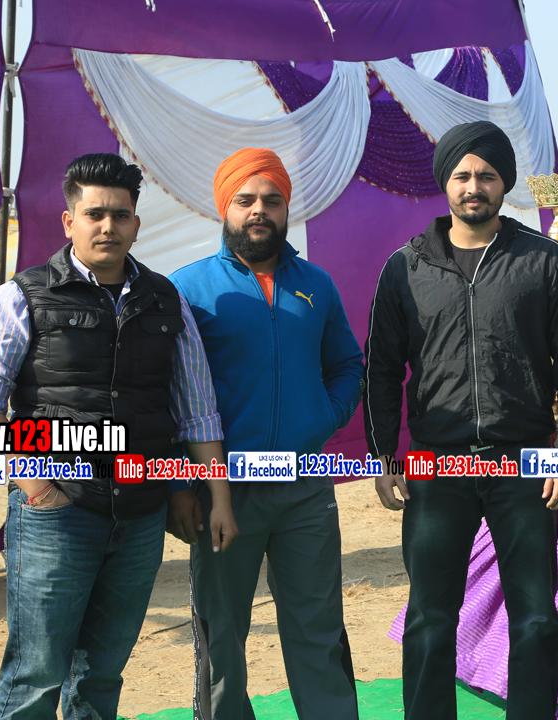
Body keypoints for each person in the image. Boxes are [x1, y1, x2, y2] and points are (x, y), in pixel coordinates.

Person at [0, 153, 237, 720]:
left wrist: (217, 495)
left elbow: (197, 411)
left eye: (120, 215)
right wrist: (39, 489)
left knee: (103, 674)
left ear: (136, 223)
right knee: (35, 674)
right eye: (94, 214)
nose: (108, 226)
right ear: (70, 221)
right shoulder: (21, 297)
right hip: (56, 515)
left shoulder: (166, 301)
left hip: (140, 518)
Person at [364, 120, 558, 720]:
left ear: (504, 184)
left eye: (487, 175)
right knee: (429, 616)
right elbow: (381, 368)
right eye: (463, 175)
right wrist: (382, 454)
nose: (474, 186)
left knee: (536, 618)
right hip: (437, 468)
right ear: (446, 183)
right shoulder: (406, 267)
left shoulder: (544, 260)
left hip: (524, 466)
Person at [169, 148, 365, 720]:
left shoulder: (317, 285)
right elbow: (167, 393)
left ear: (285, 209)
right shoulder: (187, 290)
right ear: (224, 208)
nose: (259, 210)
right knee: (221, 635)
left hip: (306, 491)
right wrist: (179, 485)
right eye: (245, 200)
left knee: (318, 628)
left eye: (272, 201)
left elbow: (347, 365)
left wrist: (322, 417)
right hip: (222, 492)